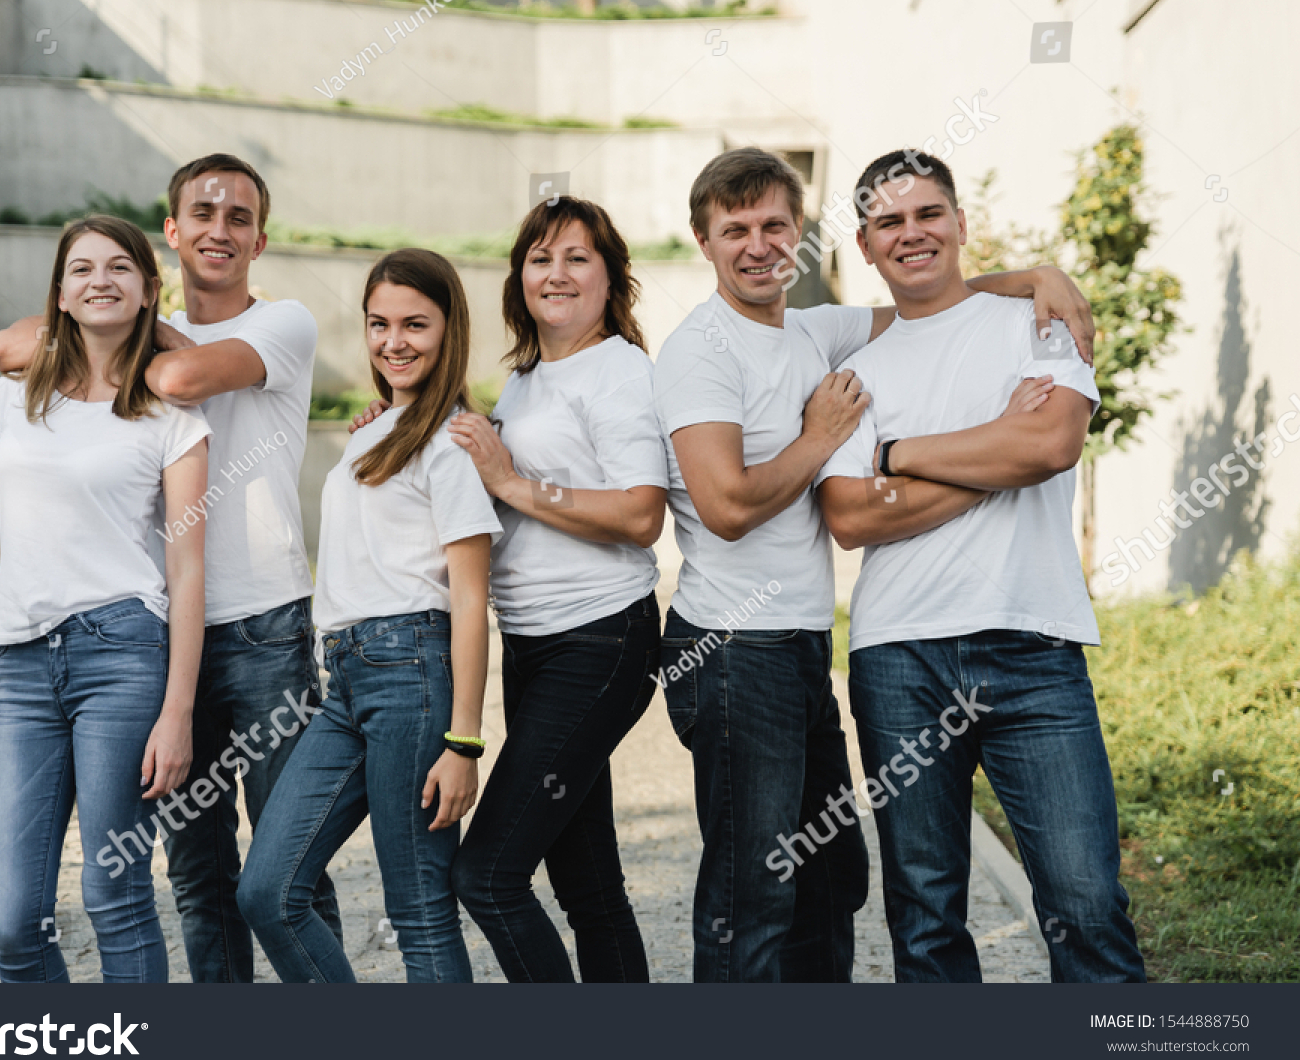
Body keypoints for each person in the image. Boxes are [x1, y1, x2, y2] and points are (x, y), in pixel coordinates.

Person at [653, 146, 1097, 982]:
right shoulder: (700, 352)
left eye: (775, 226)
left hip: (797, 651)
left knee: (831, 882)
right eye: (735, 230)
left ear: (805, 239)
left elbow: (931, 297)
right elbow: (730, 507)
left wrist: (1040, 272)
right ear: (703, 242)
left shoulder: (816, 330)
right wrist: (826, 440)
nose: (757, 246)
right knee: (755, 896)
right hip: (732, 655)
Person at [0, 153, 340, 982]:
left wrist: (139, 325)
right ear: (173, 233)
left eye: (239, 217)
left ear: (260, 238)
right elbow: (7, 346)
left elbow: (181, 375)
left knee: (289, 876)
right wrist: (122, 310)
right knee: (196, 875)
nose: (221, 229)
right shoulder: (128, 311)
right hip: (154, 639)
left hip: (264, 630)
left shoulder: (280, 323)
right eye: (202, 214)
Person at [813, 148, 1145, 983]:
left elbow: (1050, 442)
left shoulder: (1037, 322)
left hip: (1034, 646)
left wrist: (897, 452)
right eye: (889, 221)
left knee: (1086, 904)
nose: (911, 233)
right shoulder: (852, 371)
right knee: (924, 916)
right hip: (900, 657)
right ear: (864, 244)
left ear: (962, 224)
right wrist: (992, 455)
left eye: (928, 214)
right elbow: (851, 515)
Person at [0, 215, 212, 982]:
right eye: (83, 269)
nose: (102, 280)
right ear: (59, 294)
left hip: (123, 659)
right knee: (10, 920)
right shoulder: (12, 400)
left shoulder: (172, 418)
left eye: (121, 268)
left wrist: (178, 710)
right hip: (23, 669)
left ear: (147, 292)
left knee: (114, 892)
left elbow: (187, 569)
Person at [236, 249, 500, 983]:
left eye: (416, 324)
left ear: (450, 331)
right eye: (380, 324)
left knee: (418, 908)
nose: (395, 341)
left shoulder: (450, 442)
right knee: (267, 891)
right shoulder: (376, 430)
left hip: (413, 677)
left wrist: (464, 743)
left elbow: (472, 597)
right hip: (343, 682)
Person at [445, 197, 666, 982]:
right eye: (540, 258)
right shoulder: (530, 379)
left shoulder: (619, 371)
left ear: (611, 279)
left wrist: (512, 479)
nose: (557, 273)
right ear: (519, 279)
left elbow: (642, 513)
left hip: (600, 642)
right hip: (535, 646)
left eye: (577, 257)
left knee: (488, 875)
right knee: (588, 886)